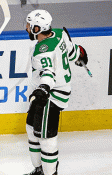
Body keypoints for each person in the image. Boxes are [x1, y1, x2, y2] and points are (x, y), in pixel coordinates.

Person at [23, 9, 88, 175]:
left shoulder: (42, 51)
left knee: (46, 139)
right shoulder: (60, 34)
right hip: (49, 91)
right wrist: (80, 55)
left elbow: (48, 72)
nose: (26, 28)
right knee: (31, 128)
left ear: (37, 29)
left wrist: (43, 88)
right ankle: (39, 170)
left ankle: (50, 173)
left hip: (50, 95)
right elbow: (73, 51)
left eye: (29, 25)